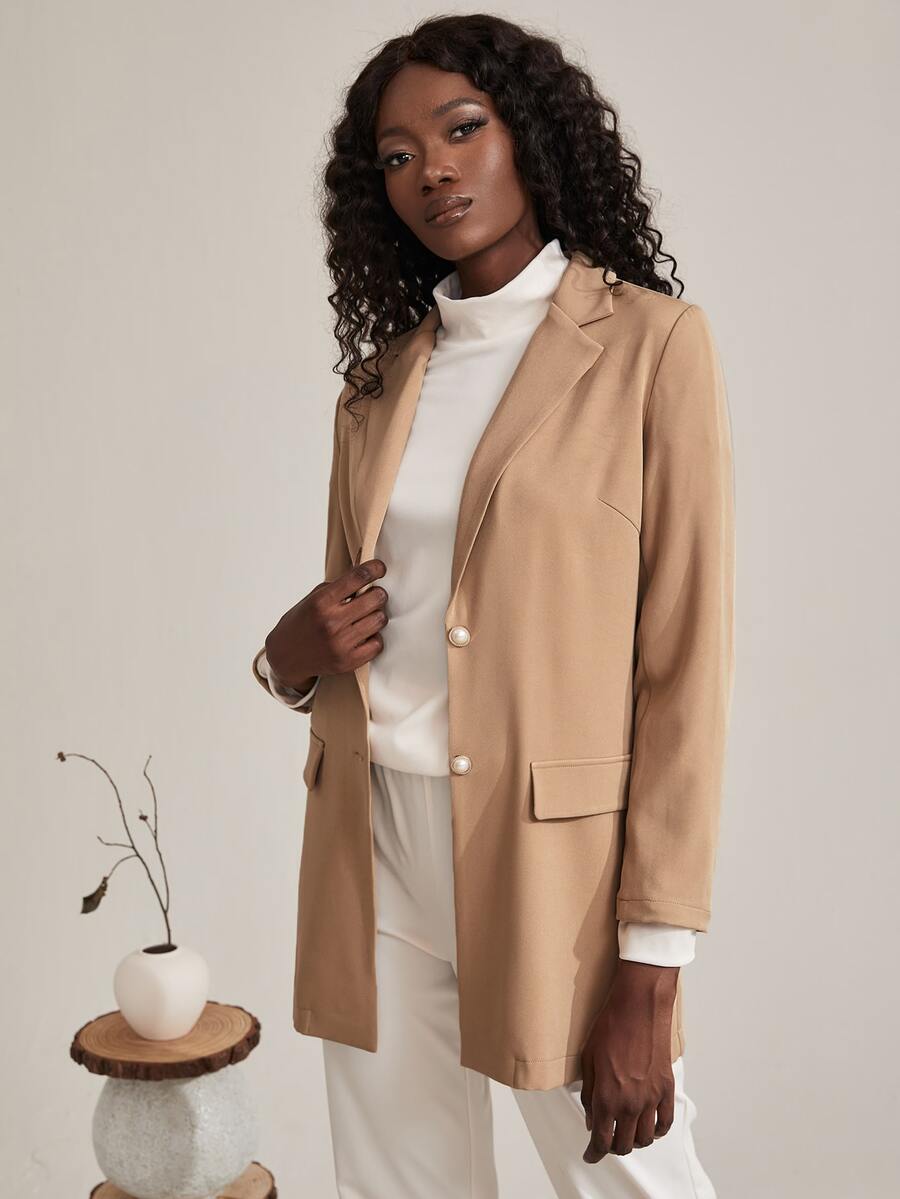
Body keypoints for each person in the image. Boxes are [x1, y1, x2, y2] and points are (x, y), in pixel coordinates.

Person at [252, 13, 734, 1197]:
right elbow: (354, 623)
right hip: (372, 843)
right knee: (397, 1183)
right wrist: (287, 657)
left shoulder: (650, 347)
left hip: (550, 865)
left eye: (462, 129)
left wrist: (653, 963)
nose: (434, 169)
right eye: (399, 156)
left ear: (530, 136)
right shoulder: (378, 386)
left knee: (633, 1178)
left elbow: (686, 665)